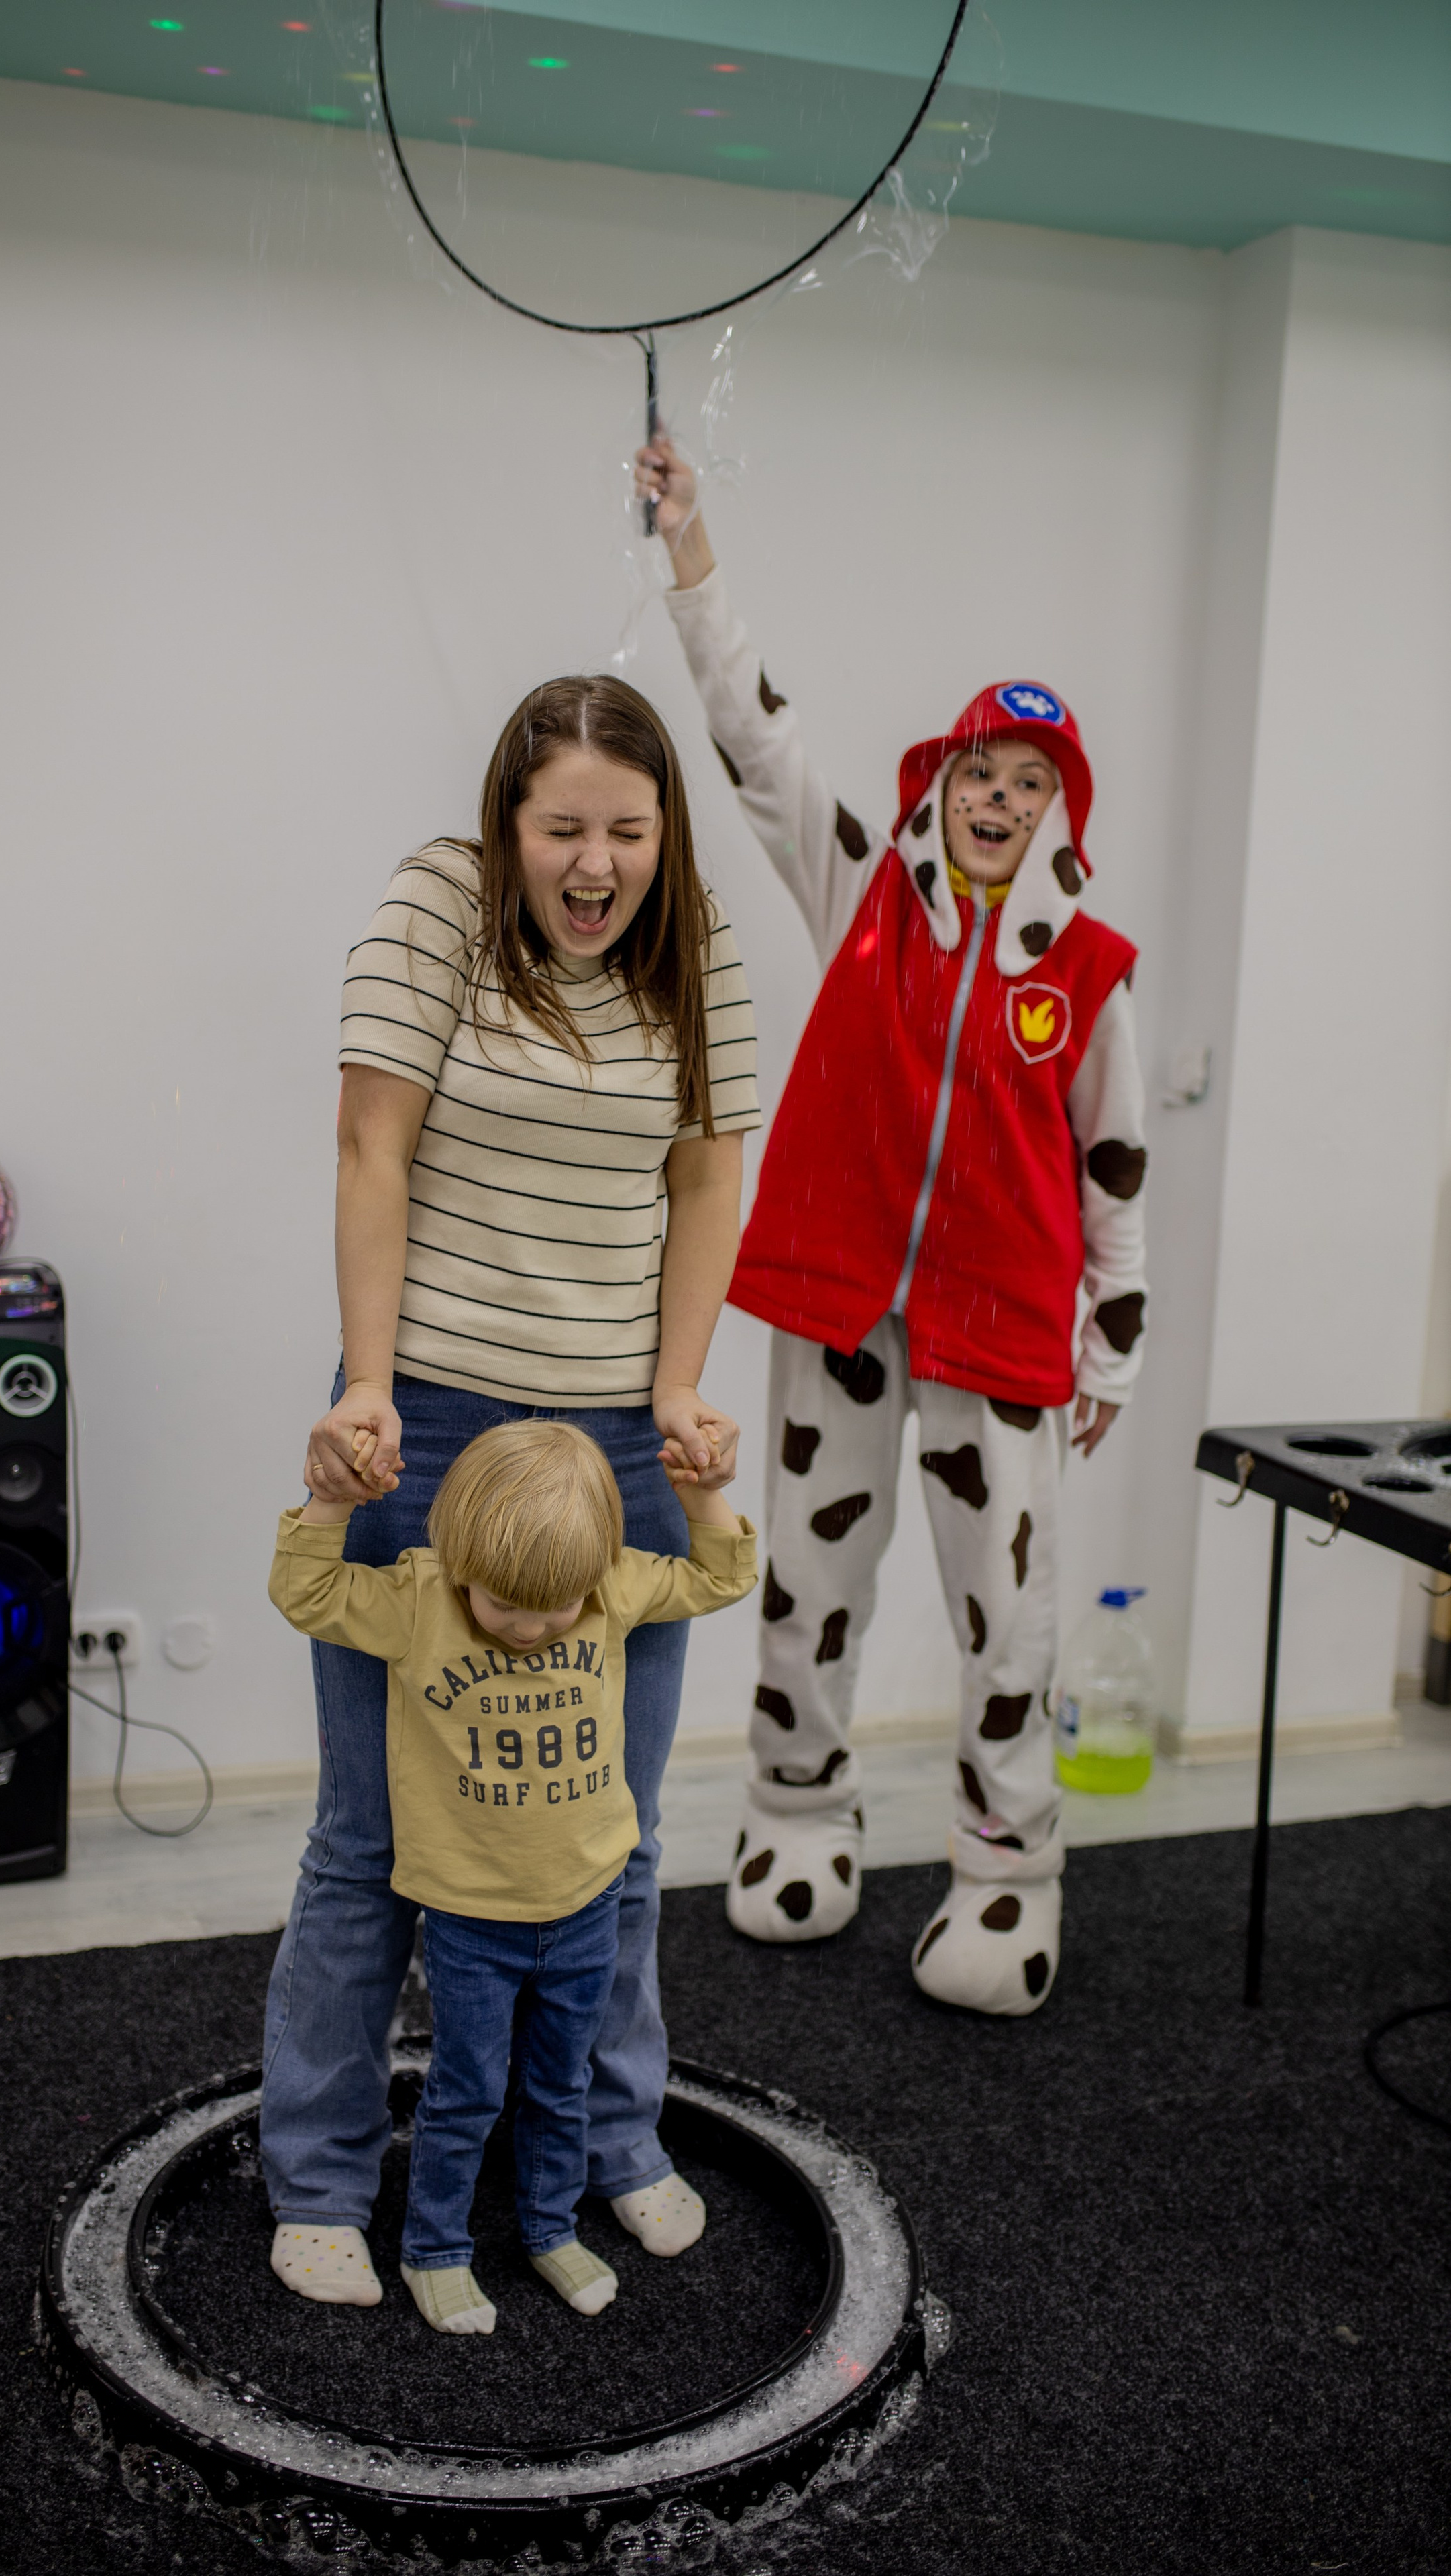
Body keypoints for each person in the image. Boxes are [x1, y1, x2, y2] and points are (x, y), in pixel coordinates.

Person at [261, 672, 764, 2303]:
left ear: (663, 833)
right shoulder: (435, 907)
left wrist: (675, 1386)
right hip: (424, 1420)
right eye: (562, 829)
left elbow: (707, 1177)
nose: (595, 864)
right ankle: (320, 2178)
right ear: (508, 822)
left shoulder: (696, 945)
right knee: (369, 1833)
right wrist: (364, 1382)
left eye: (627, 830)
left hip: (614, 1440)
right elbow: (371, 1148)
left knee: (612, 1827)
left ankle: (608, 2140)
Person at [634, 432, 1148, 2017]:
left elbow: (1115, 1163)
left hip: (1005, 1327)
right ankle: (795, 1816)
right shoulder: (862, 891)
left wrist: (1110, 1345)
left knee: (1009, 1623)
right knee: (808, 1581)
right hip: (843, 1306)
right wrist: (689, 545)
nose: (996, 799)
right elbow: (752, 733)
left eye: (1027, 783)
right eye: (979, 773)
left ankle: (1006, 1879)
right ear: (941, 785)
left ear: (1057, 814)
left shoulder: (1090, 974)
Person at [270, 1418, 756, 2330]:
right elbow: (307, 1592)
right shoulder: (419, 1600)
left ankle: (548, 2229)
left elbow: (723, 1575)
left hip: (587, 1905)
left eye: (556, 1608)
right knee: (467, 2092)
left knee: (561, 2085)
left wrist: (702, 1491)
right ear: (458, 1558)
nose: (531, 1631)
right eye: (504, 1607)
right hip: (471, 1918)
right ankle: (435, 2250)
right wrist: (331, 1504)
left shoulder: (609, 1586)